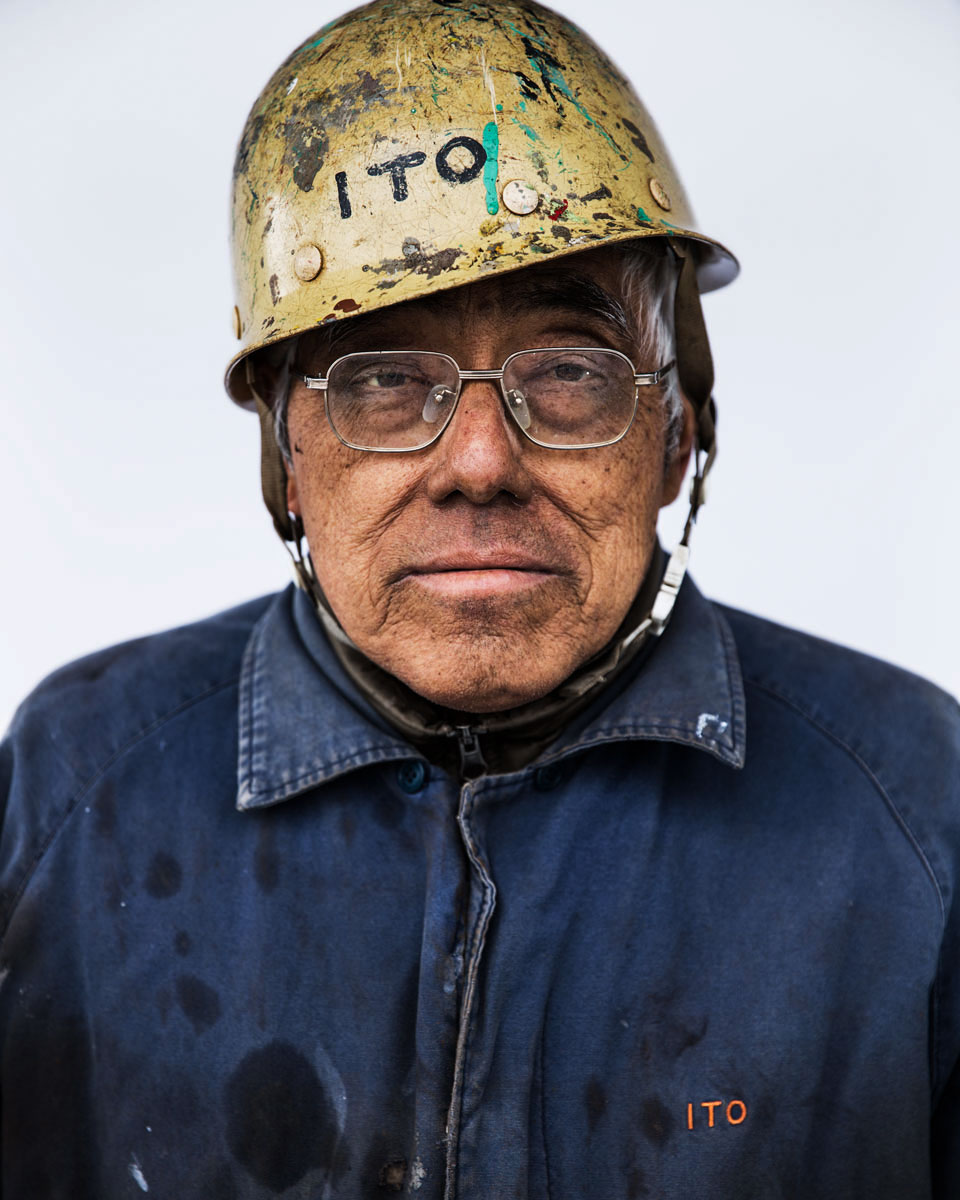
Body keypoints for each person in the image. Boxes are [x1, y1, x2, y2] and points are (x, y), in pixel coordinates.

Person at [1, 1, 957, 1196]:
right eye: (387, 378)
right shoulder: (71, 786)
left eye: (569, 373)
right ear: (284, 457)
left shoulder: (918, 806)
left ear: (677, 435)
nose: (480, 462)